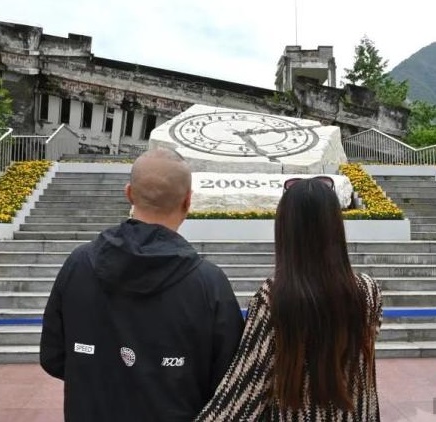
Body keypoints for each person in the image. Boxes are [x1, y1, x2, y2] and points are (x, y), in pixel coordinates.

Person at [40, 147, 244, 422]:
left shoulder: (79, 264)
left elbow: (53, 357)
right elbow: (228, 380)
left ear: (129, 194)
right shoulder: (209, 283)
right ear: (187, 201)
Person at [196, 176, 383, 421]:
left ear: (285, 228)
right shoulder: (368, 291)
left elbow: (247, 388)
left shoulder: (274, 297)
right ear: (336, 226)